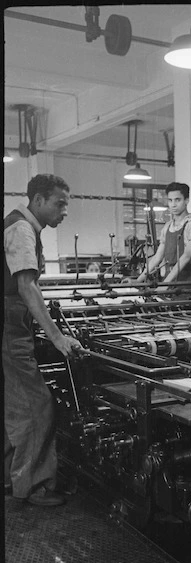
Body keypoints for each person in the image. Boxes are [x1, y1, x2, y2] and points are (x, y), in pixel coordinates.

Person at [4, 174, 84, 506]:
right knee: (37, 405)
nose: (64, 211)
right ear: (38, 200)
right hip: (9, 329)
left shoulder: (19, 224)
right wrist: (57, 336)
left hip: (10, 325)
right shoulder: (22, 228)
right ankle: (33, 487)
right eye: (59, 203)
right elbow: (26, 286)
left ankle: (12, 478)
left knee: (12, 407)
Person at [136, 182, 191, 287]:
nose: (173, 204)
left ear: (186, 200)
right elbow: (157, 258)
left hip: (187, 282)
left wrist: (165, 285)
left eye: (178, 200)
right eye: (170, 200)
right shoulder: (167, 227)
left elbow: (186, 257)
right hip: (169, 278)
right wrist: (137, 281)